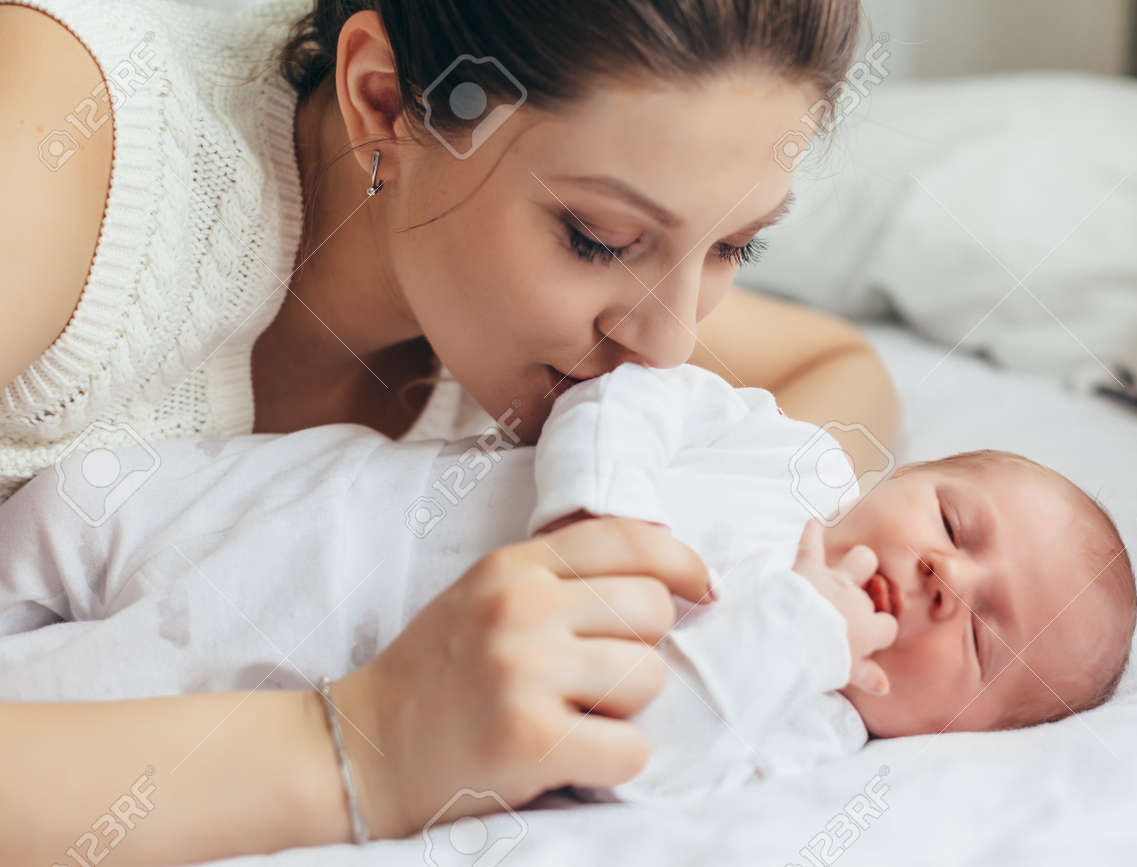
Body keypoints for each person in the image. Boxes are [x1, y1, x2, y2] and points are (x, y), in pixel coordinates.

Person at [0, 0, 898, 862]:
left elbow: (836, 362)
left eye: (734, 247)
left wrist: (733, 549)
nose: (670, 347)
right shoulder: (64, 141)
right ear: (383, 102)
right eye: (599, 238)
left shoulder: (574, 314)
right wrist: (365, 746)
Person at [0, 363, 1136, 806]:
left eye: (983, 638)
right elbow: (625, 394)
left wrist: (797, 636)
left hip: (278, 660)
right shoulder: (788, 456)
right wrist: (598, 510)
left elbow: (634, 756)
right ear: (902, 477)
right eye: (954, 523)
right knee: (72, 502)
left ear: (957, 728)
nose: (945, 577)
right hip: (312, 500)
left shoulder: (806, 726)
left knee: (69, 702)